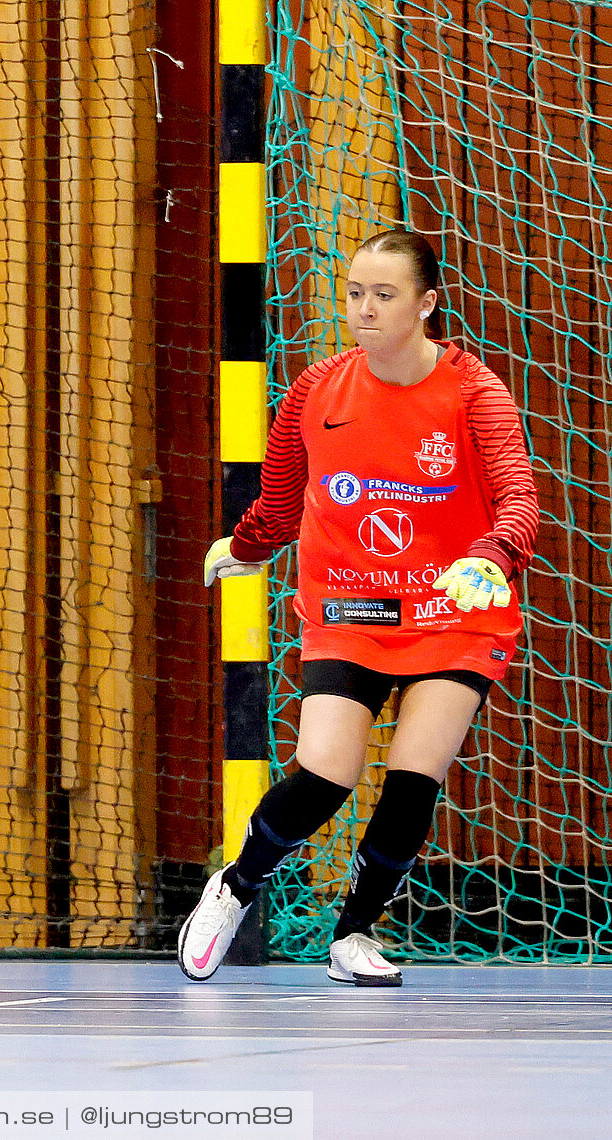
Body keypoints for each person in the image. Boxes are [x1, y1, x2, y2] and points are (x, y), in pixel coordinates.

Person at [183, 228, 539, 987]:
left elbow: (517, 495)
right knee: (328, 770)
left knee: (415, 774)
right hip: (353, 604)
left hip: (453, 609)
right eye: (354, 294)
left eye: (385, 295)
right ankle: (235, 887)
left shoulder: (474, 390)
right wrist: (247, 545)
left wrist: (492, 554)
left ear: (426, 304)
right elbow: (279, 498)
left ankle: (355, 933)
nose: (365, 310)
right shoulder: (317, 390)